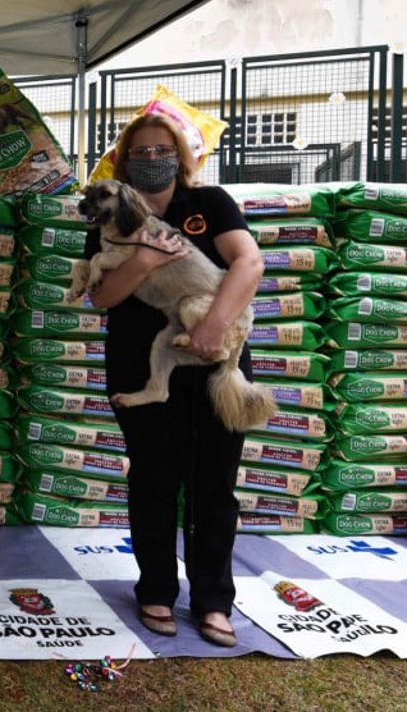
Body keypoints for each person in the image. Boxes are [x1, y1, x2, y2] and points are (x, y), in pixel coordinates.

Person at [83, 113, 263, 648]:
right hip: (141, 361)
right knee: (154, 479)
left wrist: (213, 325)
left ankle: (212, 600)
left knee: (214, 484)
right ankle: (156, 589)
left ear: (180, 157)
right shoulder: (107, 210)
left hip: (213, 350)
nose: (153, 159)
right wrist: (142, 259)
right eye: (141, 151)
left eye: (163, 150)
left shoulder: (208, 204)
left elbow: (247, 263)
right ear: (123, 159)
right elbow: (102, 297)